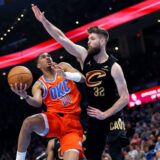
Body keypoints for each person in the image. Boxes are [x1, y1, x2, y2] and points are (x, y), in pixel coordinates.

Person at [32, 4, 129, 160]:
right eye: (88, 38)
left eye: (92, 38)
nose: (88, 41)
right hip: (93, 116)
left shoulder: (114, 67)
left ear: (103, 40)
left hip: (113, 115)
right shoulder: (84, 56)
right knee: (91, 155)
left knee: (116, 153)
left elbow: (125, 98)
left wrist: (105, 114)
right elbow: (61, 37)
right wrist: (43, 20)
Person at [10, 52, 86, 160]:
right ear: (38, 65)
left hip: (72, 125)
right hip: (54, 119)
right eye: (43, 57)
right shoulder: (39, 84)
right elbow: (37, 102)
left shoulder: (63, 66)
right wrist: (25, 96)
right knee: (28, 122)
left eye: (49, 56)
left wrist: (65, 75)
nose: (48, 58)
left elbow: (82, 78)